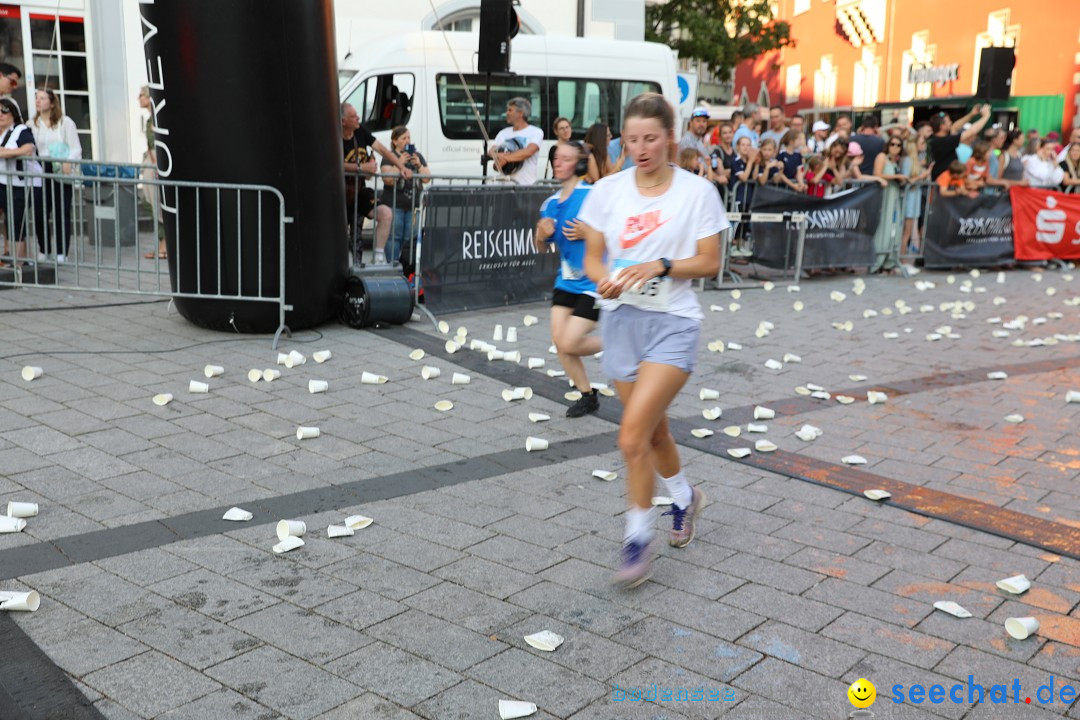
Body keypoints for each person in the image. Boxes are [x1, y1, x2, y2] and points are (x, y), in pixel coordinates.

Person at [577, 92, 725, 588]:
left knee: (631, 437)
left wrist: (659, 265)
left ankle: (637, 541)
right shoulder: (608, 191)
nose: (641, 148)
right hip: (621, 323)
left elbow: (710, 262)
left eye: (651, 139)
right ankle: (685, 498)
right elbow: (593, 257)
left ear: (670, 138)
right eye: (632, 139)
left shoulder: (697, 192)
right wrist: (603, 278)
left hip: (673, 324)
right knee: (655, 434)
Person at [535, 140, 602, 418]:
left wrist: (590, 232)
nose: (558, 163)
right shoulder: (549, 204)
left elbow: (619, 235)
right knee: (559, 341)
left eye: (565, 158)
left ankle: (622, 337)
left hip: (596, 281)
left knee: (569, 342)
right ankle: (588, 395)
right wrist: (539, 233)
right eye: (556, 158)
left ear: (578, 164)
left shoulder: (594, 195)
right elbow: (541, 247)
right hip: (566, 281)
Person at [341, 102, 411, 266]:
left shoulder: (360, 131)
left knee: (385, 213)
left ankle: (378, 257)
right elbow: (333, 162)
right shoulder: (334, 135)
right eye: (353, 116)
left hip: (359, 190)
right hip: (339, 193)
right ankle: (342, 267)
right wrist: (361, 167)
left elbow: (383, 150)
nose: (358, 118)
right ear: (343, 121)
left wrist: (402, 168)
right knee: (343, 233)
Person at [30, 88, 81, 263]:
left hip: (60, 167)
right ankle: (44, 249)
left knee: (61, 211)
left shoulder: (65, 122)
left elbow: (75, 147)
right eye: (37, 98)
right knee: (39, 211)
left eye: (43, 98)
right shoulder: (32, 124)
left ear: (52, 103)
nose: (38, 101)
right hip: (40, 168)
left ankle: (61, 252)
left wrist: (69, 161)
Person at [379, 125, 430, 266]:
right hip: (395, 205)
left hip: (413, 206)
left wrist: (419, 165)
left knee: (411, 239)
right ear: (395, 141)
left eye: (409, 137)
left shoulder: (417, 156)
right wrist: (399, 163)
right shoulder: (390, 156)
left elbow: (427, 178)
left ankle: (408, 268)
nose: (407, 140)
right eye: (403, 138)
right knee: (394, 238)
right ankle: (393, 266)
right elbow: (388, 179)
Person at [0, 98, 42, 268]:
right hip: (4, 182)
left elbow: (27, 148)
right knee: (9, 220)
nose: (0, 115)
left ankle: (18, 262)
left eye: (4, 111)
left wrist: (6, 152)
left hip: (23, 184)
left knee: (16, 220)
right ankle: (10, 254)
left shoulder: (21, 130)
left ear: (13, 114)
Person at [870, 135, 906, 274]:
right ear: (888, 145)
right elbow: (877, 174)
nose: (895, 147)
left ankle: (889, 262)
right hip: (885, 195)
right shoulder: (882, 157)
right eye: (893, 144)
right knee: (884, 226)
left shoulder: (894, 161)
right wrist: (897, 177)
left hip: (895, 194)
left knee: (894, 227)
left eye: (898, 145)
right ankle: (877, 261)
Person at [139, 85, 167, 261]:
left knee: (158, 204)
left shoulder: (158, 118)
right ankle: (163, 244)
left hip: (157, 164)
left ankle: (165, 245)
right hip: (151, 163)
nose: (139, 98)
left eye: (141, 95)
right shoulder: (150, 119)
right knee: (151, 202)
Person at [489, 96, 544, 185]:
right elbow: (491, 151)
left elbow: (528, 152)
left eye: (510, 110)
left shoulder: (536, 132)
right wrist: (496, 155)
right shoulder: (503, 133)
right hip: (503, 187)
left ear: (520, 113)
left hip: (525, 186)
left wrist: (504, 158)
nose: (506, 113)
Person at [928, 105, 991, 181]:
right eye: (948, 121)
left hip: (948, 181)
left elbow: (955, 127)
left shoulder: (938, 139)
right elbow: (971, 132)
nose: (951, 123)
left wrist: (971, 114)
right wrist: (986, 116)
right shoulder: (943, 141)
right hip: (943, 183)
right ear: (942, 126)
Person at [900, 136, 932, 258]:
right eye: (922, 142)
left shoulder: (915, 160)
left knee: (909, 231)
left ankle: (905, 257)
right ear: (915, 145)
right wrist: (922, 176)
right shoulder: (908, 160)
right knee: (906, 232)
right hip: (909, 199)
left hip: (914, 198)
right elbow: (906, 181)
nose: (924, 145)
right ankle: (902, 260)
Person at [678, 109, 715, 181]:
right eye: (698, 121)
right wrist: (718, 177)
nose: (702, 124)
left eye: (704, 121)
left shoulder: (699, 141)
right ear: (691, 123)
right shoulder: (687, 141)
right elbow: (696, 166)